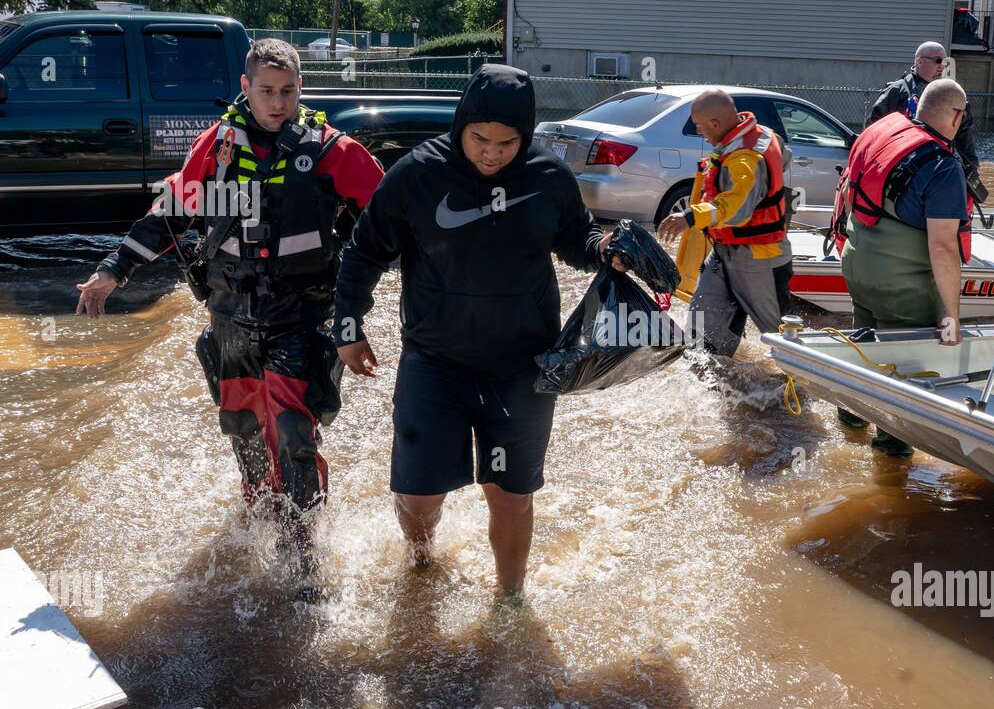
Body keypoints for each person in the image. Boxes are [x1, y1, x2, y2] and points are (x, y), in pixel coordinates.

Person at [74, 38, 385, 595]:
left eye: (288, 91)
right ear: (246, 88)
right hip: (231, 317)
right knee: (243, 430)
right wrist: (111, 271)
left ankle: (304, 553)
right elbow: (171, 211)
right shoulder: (218, 147)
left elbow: (390, 216)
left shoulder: (331, 150)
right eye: (266, 90)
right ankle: (258, 521)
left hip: (300, 315)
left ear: (299, 90)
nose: (277, 101)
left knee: (293, 433)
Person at [331, 64, 625, 598]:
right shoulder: (418, 174)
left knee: (510, 494)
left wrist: (607, 249)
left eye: (507, 142)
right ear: (461, 125)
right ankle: (421, 563)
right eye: (479, 139)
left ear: (527, 135)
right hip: (434, 363)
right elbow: (364, 249)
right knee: (420, 498)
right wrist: (348, 327)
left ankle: (509, 601)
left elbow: (578, 240)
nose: (492, 152)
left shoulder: (548, 177)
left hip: (523, 366)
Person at [835, 78, 972, 455]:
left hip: (858, 271)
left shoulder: (882, 134)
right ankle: (891, 458)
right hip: (903, 289)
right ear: (957, 116)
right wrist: (951, 315)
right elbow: (943, 247)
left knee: (862, 354)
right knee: (906, 375)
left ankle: (849, 424)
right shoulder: (943, 167)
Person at [658, 89, 793, 357]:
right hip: (723, 255)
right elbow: (785, 157)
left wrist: (690, 216)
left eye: (700, 127)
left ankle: (808, 391)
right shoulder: (761, 134)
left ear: (716, 124)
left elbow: (737, 209)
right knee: (700, 344)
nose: (700, 133)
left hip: (759, 260)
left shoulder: (745, 158)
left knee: (784, 342)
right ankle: (718, 393)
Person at [869, 41, 980, 181]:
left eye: (945, 62)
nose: (942, 67)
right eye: (937, 61)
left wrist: (972, 170)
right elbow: (874, 130)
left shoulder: (952, 95)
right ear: (920, 62)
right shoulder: (897, 91)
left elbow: (965, 138)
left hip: (939, 169)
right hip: (901, 171)